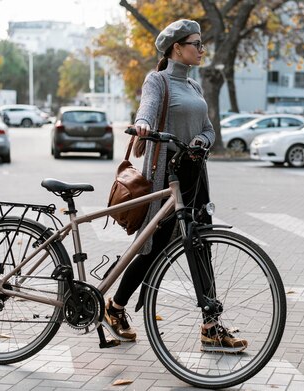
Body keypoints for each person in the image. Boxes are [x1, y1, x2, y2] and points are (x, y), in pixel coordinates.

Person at [102, 19, 247, 352]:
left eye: (201, 44)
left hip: (195, 176)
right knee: (151, 250)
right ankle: (116, 306)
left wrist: (200, 139)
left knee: (201, 246)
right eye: (196, 44)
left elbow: (210, 130)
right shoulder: (159, 80)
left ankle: (211, 327)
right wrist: (141, 125)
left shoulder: (195, 87)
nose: (201, 49)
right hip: (166, 175)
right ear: (177, 48)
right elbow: (147, 109)